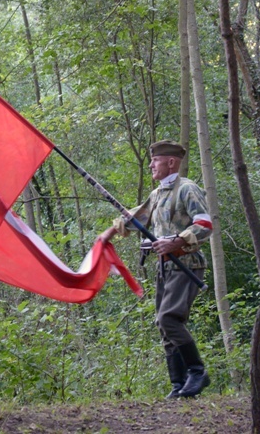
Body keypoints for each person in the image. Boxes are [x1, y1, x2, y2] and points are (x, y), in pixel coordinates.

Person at [99, 140, 213, 399]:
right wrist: (106, 235)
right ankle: (178, 384)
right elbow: (134, 220)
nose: (151, 164)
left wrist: (177, 241)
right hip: (165, 268)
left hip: (187, 265)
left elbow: (205, 224)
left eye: (156, 160)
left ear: (171, 162)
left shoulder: (187, 189)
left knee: (169, 319)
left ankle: (197, 372)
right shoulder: (157, 194)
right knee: (164, 325)